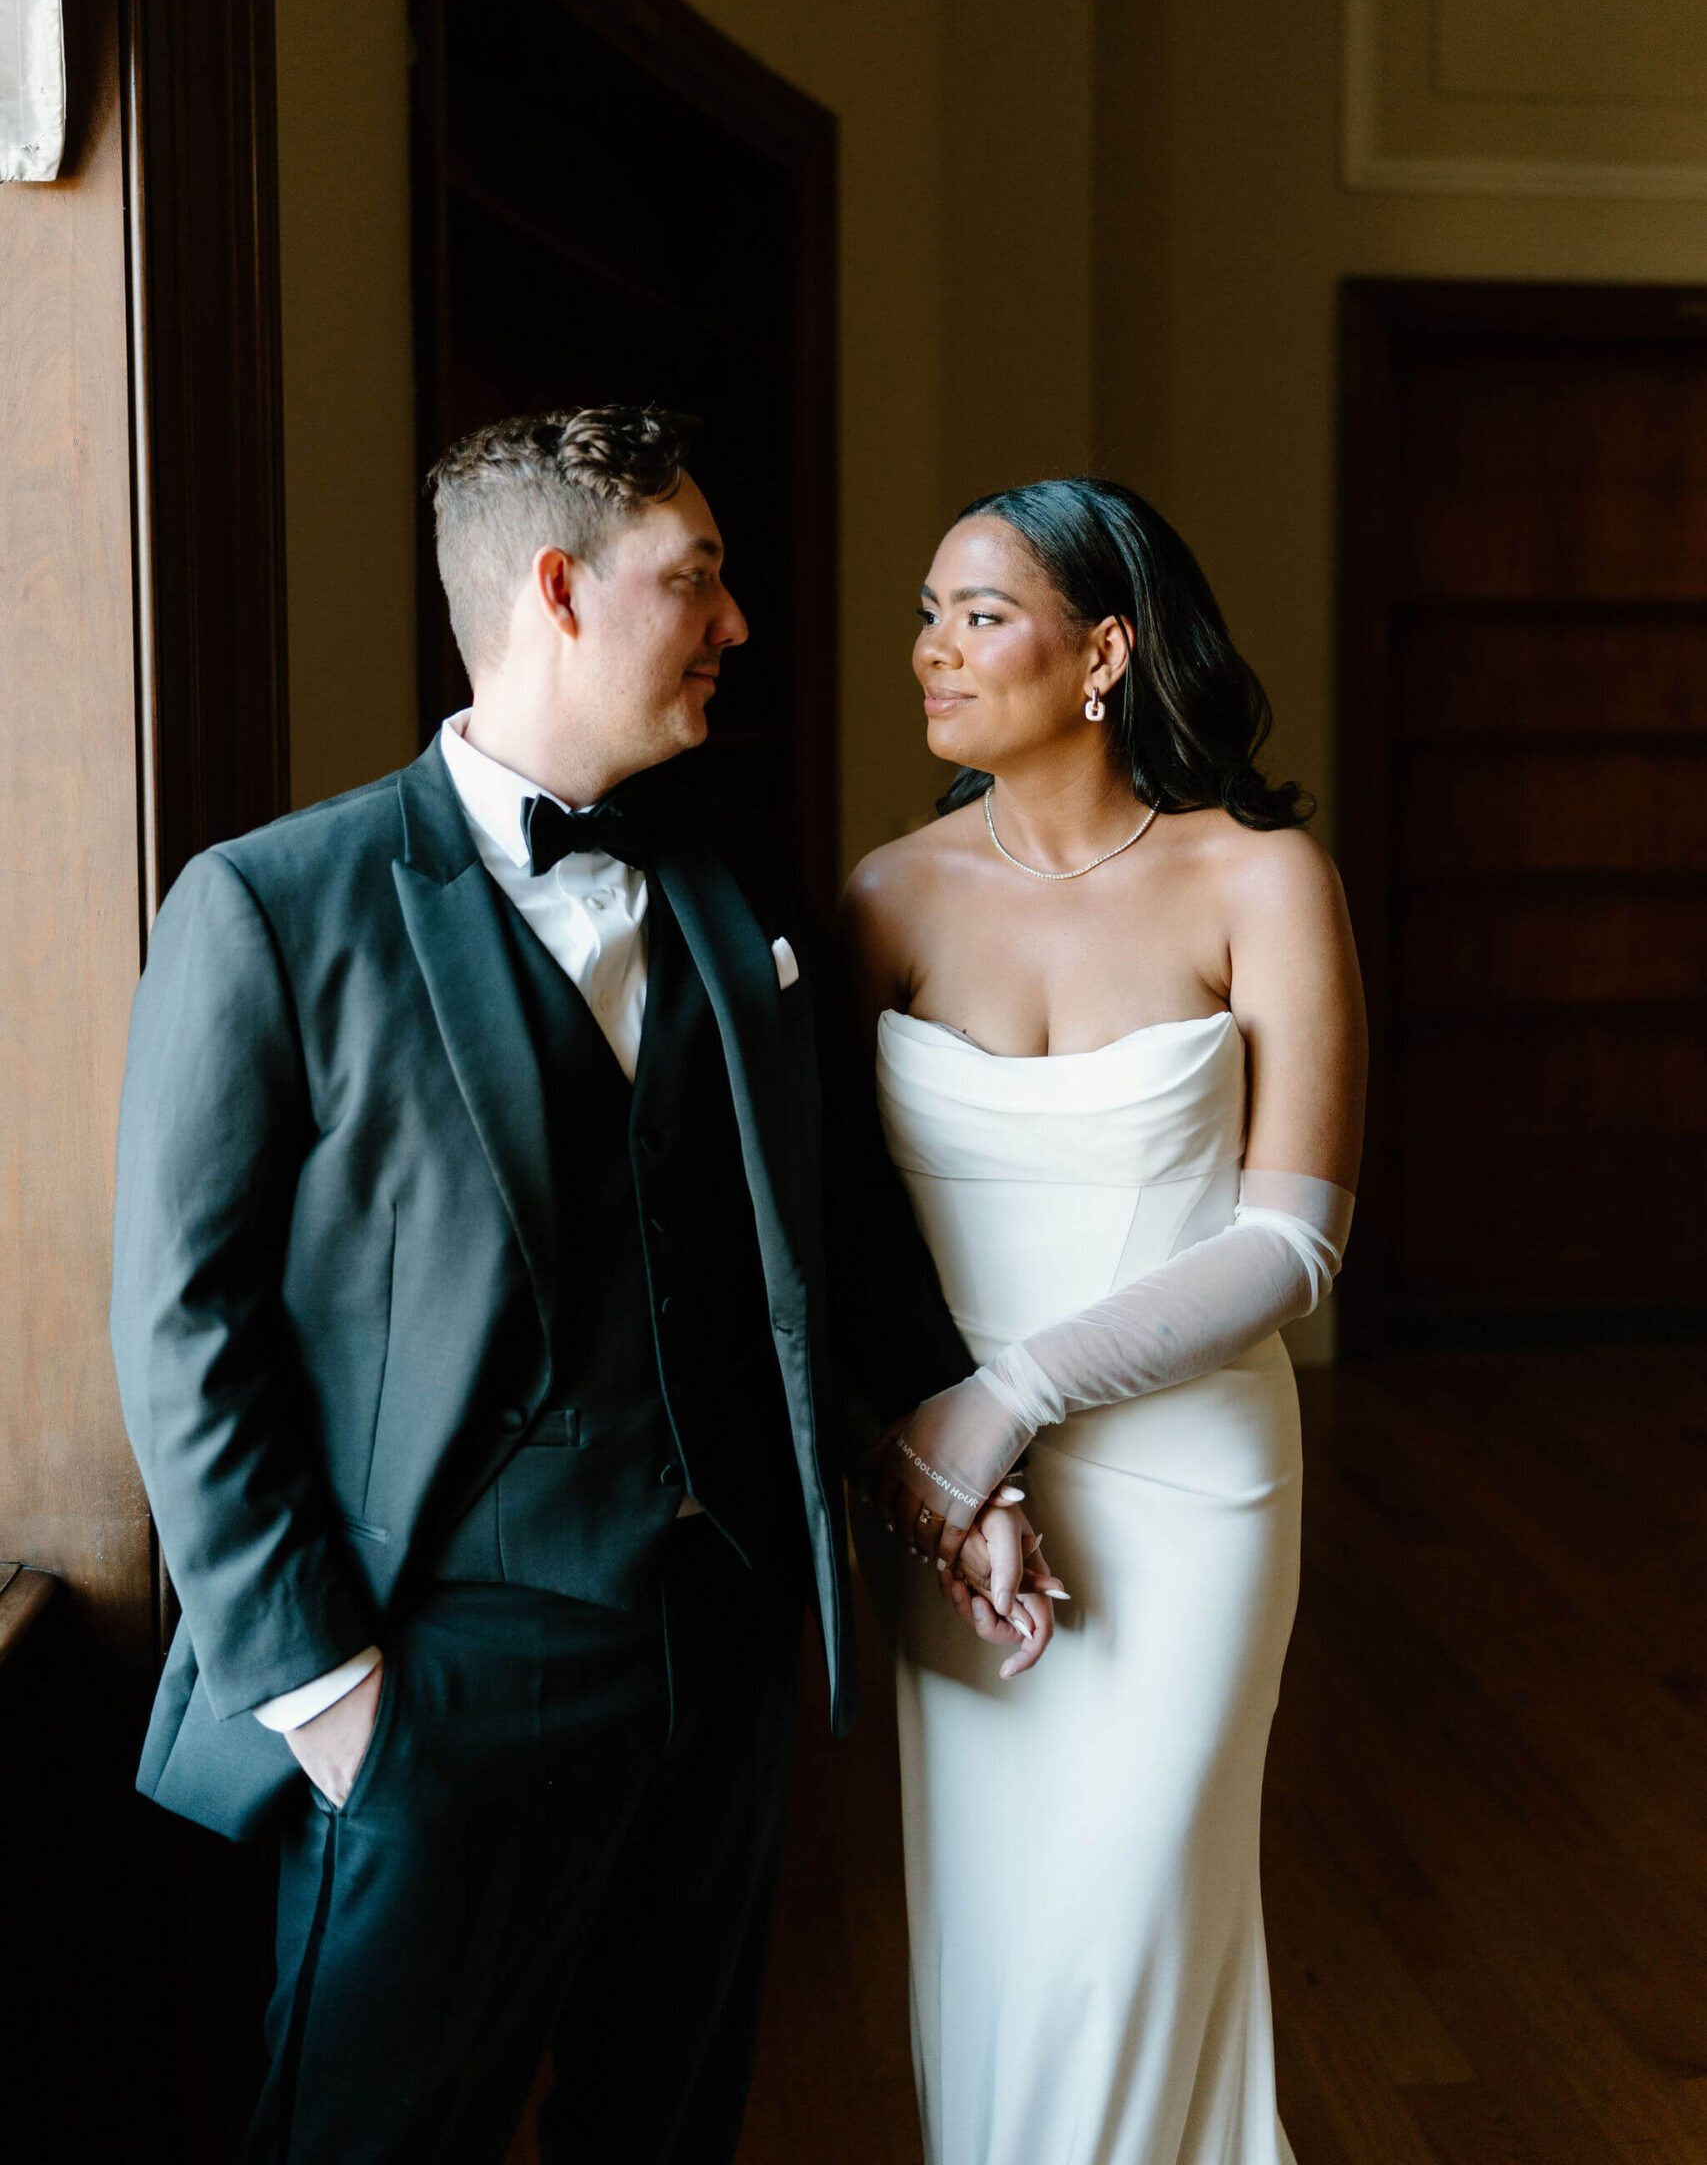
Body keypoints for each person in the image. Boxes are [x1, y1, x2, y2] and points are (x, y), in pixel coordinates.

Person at [109, 406, 1051, 2165]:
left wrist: (954, 1465)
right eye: (693, 579)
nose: (734, 622)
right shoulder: (273, 906)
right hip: (438, 1669)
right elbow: (184, 1329)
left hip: (723, 1637)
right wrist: (330, 1700)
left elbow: (836, 1220)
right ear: (557, 588)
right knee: (373, 2137)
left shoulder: (734, 877)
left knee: (666, 2121)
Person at [841, 476, 1367, 2165]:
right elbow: (837, 1239)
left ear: (1104, 653)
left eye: (979, 614)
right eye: (926, 613)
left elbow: (1293, 1245)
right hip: (955, 1506)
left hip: (1188, 1492)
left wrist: (1013, 1394)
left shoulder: (1262, 881)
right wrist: (953, 1455)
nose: (931, 649)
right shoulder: (885, 899)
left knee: (1133, 1936)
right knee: (999, 1958)